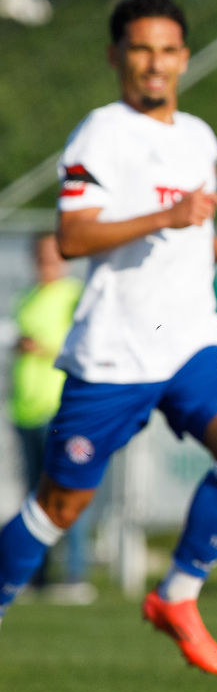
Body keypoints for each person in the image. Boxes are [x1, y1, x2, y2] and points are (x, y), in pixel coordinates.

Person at [0, 0, 217, 675]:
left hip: (188, 340)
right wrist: (165, 220)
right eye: (141, 49)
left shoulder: (199, 137)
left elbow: (189, 228)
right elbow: (73, 234)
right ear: (116, 55)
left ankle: (177, 596)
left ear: (184, 57)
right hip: (117, 349)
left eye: (168, 50)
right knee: (61, 504)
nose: (156, 64)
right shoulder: (102, 133)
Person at [11, 233, 88, 602]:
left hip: (58, 407)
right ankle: (36, 575)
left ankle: (74, 575)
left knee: (68, 489)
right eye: (40, 256)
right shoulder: (28, 296)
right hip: (25, 407)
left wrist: (41, 348)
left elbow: (84, 344)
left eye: (52, 256)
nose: (46, 264)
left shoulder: (75, 295)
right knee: (34, 496)